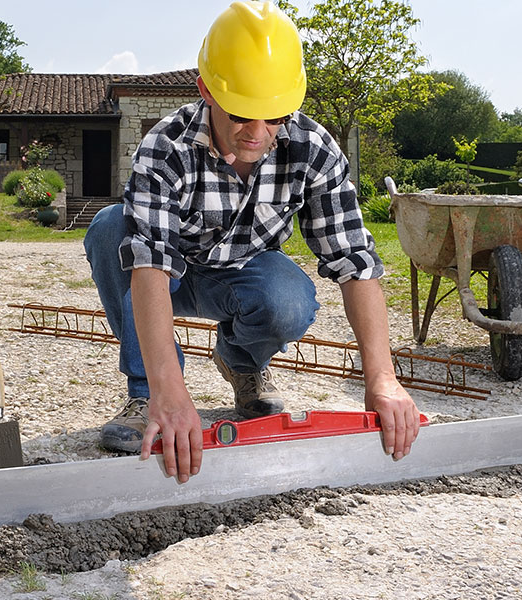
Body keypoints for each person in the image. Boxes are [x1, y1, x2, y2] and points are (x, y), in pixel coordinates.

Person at [82, 0, 418, 484]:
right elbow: (150, 265)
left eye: (275, 115)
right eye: (241, 114)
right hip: (167, 276)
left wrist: (383, 379)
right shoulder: (166, 146)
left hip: (242, 273)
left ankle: (241, 364)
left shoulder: (313, 149)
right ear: (206, 91)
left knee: (289, 299)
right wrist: (171, 392)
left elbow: (353, 259)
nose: (257, 134)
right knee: (112, 228)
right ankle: (146, 391)